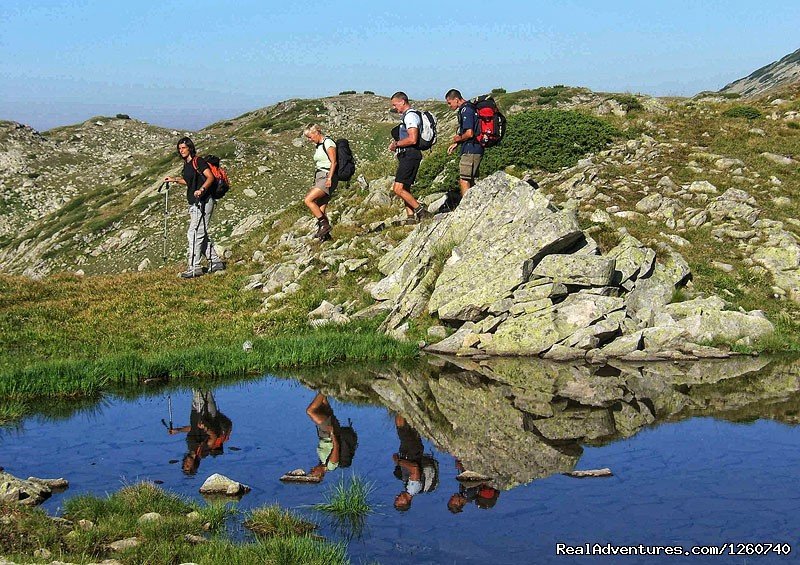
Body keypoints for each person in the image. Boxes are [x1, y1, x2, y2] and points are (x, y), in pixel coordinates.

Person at [164, 137, 225, 278]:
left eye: (184, 148)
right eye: (179, 148)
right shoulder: (187, 164)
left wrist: (202, 190)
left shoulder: (199, 161)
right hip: (194, 203)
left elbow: (210, 177)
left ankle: (194, 267)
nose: (181, 150)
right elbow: (189, 181)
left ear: (190, 148)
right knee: (200, 234)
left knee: (194, 233)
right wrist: (174, 180)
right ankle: (215, 262)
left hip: (204, 201)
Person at [388, 92, 432, 223]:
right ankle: (410, 217)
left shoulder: (410, 117)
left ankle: (421, 211)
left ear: (402, 102)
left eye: (395, 104)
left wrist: (396, 144)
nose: (395, 108)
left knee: (398, 188)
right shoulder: (409, 116)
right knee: (405, 187)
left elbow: (413, 139)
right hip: (408, 155)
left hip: (410, 154)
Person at [168, 389, 232, 475]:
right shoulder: (203, 452)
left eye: (184, 465)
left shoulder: (190, 447)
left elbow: (193, 428)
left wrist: (178, 430)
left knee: (198, 391)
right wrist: (205, 428)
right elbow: (213, 437)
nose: (185, 463)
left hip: (195, 412)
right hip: (209, 416)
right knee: (206, 390)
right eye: (187, 466)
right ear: (194, 465)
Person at [302, 124, 337, 240]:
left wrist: (329, 178)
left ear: (316, 132)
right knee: (320, 207)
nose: (310, 139)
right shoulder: (319, 145)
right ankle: (325, 236)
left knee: (308, 200)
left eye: (310, 136)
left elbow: (334, 162)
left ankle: (324, 225)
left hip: (327, 176)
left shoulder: (328, 143)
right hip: (320, 176)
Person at [445, 89, 483, 196]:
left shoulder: (465, 110)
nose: (449, 106)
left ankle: (466, 208)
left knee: (464, 180)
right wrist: (457, 144)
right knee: (471, 179)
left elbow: (469, 133)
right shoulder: (470, 107)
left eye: (449, 103)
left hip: (471, 149)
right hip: (475, 147)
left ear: (456, 100)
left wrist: (458, 139)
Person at [305, 392, 341, 481]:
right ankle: (324, 389)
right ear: (320, 474)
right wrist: (332, 433)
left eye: (311, 470)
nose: (312, 469)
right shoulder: (331, 466)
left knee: (323, 402)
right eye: (313, 472)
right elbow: (337, 447)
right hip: (328, 432)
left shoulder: (322, 461)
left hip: (324, 433)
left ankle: (328, 386)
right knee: (310, 411)